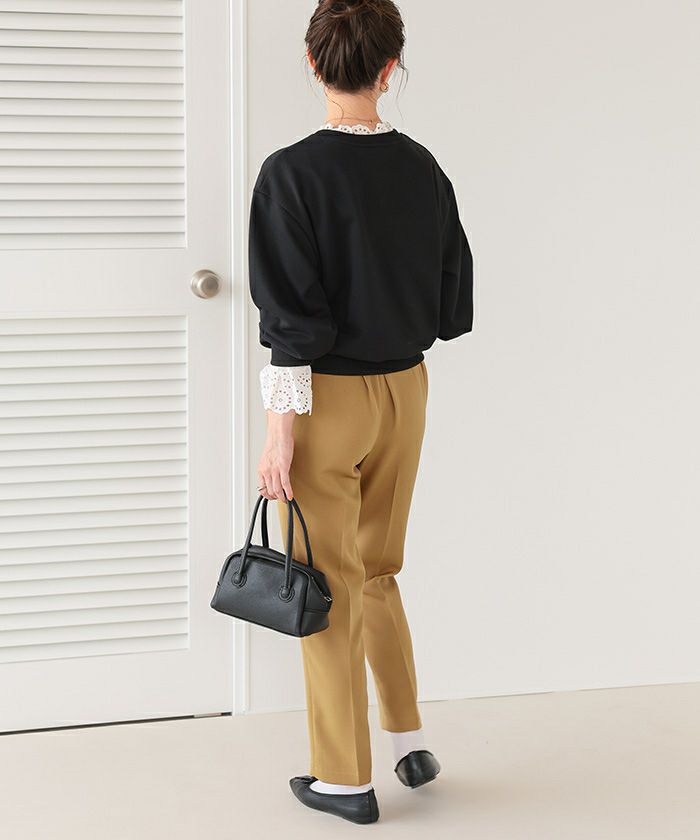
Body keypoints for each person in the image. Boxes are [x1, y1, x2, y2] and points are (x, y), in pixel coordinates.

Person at [248, 0, 473, 825]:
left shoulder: (291, 174)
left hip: (326, 398)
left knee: (326, 583)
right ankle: (408, 738)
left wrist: (279, 434)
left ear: (313, 63)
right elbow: (452, 295)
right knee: (378, 569)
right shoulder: (423, 168)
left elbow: (290, 321)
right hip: (406, 392)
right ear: (389, 68)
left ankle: (343, 777)